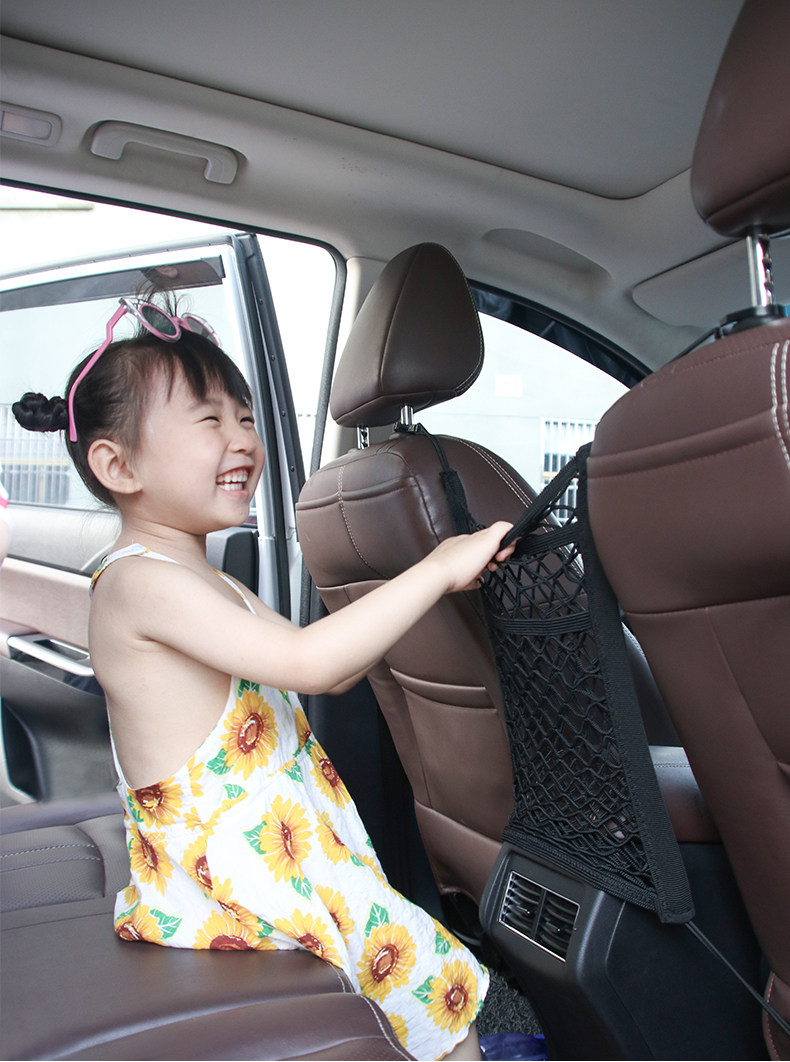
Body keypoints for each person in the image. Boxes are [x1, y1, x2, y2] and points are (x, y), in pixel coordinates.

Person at [12, 297, 514, 1061]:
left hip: (267, 856)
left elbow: (326, 661)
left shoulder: (207, 580)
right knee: (426, 972)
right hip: (229, 881)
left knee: (413, 958)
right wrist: (439, 566)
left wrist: (423, 587)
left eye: (245, 417)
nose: (242, 436)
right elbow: (315, 664)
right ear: (119, 466)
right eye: (208, 420)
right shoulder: (142, 583)